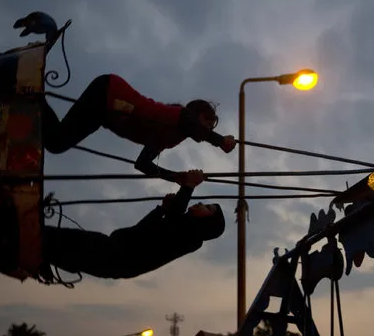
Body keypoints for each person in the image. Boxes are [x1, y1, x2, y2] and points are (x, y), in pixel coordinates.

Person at [42, 73, 237, 184]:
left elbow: (143, 164)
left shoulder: (168, 135)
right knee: (58, 141)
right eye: (208, 124)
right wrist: (221, 142)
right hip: (110, 94)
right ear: (199, 115)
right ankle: (33, 96)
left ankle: (32, 100)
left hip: (106, 108)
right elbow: (198, 130)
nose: (206, 131)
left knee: (56, 142)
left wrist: (176, 177)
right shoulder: (181, 115)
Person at [41, 169, 225, 279]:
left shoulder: (192, 239)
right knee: (50, 245)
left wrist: (189, 186)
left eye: (208, 207)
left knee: (47, 239)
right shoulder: (179, 226)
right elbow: (142, 229)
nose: (201, 203)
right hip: (112, 250)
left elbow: (175, 220)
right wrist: (161, 210)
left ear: (209, 222)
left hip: (114, 257)